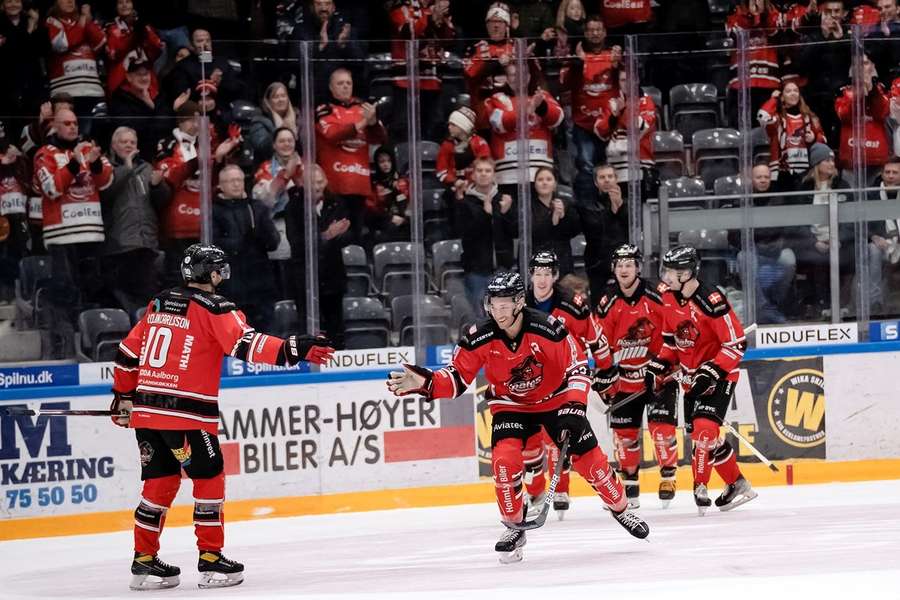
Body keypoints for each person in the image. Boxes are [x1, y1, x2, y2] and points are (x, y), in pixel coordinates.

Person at [110, 243, 334, 591]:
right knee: (209, 479)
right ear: (210, 274)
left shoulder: (158, 303)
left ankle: (144, 563)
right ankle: (211, 559)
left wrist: (123, 397)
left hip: (147, 414)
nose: (222, 276)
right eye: (218, 270)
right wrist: (295, 348)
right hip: (188, 416)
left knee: (159, 484)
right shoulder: (215, 308)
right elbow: (246, 345)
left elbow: (126, 354)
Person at [386, 271, 648, 564]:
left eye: (504, 304)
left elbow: (576, 367)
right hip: (511, 404)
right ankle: (513, 526)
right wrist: (426, 383)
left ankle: (622, 508)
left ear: (519, 302)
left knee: (592, 463)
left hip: (557, 399)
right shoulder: (479, 336)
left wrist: (574, 407)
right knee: (504, 462)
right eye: (493, 304)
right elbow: (457, 378)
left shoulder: (547, 328)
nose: (498, 312)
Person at [648, 245, 756, 515]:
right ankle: (737, 483)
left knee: (704, 430)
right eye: (667, 270)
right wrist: (659, 365)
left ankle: (700, 486)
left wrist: (712, 371)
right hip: (689, 378)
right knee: (706, 436)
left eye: (674, 271)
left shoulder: (712, 300)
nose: (668, 276)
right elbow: (672, 342)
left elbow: (736, 344)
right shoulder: (668, 298)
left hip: (718, 376)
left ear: (689, 272)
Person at [521, 250, 615, 520]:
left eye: (546, 274)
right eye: (537, 273)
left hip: (564, 379)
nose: (541, 279)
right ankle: (536, 491)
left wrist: (606, 370)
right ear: (531, 275)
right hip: (530, 380)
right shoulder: (519, 303)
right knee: (528, 445)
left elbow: (595, 339)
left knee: (556, 439)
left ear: (555, 276)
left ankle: (560, 489)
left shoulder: (573, 304)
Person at [595, 244, 679, 509]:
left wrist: (667, 362)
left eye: (629, 264)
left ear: (638, 268)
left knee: (661, 429)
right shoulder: (608, 301)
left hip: (658, 376)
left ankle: (668, 476)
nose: (624, 269)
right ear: (614, 269)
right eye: (620, 265)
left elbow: (675, 330)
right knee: (625, 436)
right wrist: (606, 375)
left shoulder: (658, 295)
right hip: (625, 380)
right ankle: (630, 484)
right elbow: (601, 344)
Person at [32, 108, 114, 358]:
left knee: (93, 288)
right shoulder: (44, 154)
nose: (72, 127)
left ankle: (92, 341)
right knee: (64, 289)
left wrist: (96, 161)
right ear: (55, 126)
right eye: (66, 123)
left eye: (75, 123)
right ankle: (64, 342)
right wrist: (76, 163)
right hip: (62, 233)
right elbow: (51, 188)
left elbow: (107, 182)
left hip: (91, 232)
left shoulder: (88, 148)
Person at [315, 68, 387, 243]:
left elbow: (381, 138)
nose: (345, 87)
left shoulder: (363, 108)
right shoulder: (324, 110)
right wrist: (362, 123)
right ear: (331, 87)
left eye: (348, 83)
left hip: (360, 185)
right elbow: (332, 134)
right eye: (340, 83)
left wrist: (373, 123)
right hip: (335, 187)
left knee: (356, 239)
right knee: (337, 239)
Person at [101, 126, 168, 317]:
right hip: (120, 244)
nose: (129, 145)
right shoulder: (105, 167)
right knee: (124, 295)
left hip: (146, 241)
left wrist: (157, 186)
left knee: (148, 293)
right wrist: (128, 168)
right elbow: (107, 193)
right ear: (114, 145)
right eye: (124, 142)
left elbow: (160, 202)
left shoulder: (146, 167)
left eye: (132, 142)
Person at [559, 15, 622, 202]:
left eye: (598, 29)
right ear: (585, 33)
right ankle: (588, 207)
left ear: (605, 32)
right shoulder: (576, 58)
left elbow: (632, 81)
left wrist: (619, 65)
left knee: (611, 167)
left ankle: (612, 205)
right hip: (584, 124)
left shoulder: (614, 56)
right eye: (590, 30)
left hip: (610, 123)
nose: (595, 33)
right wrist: (578, 64)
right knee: (586, 166)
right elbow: (564, 85)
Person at [212, 164, 281, 331]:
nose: (236, 184)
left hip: (260, 284)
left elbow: (273, 243)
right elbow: (214, 244)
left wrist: (262, 234)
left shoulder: (257, 208)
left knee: (265, 333)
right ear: (220, 185)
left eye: (239, 180)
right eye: (230, 181)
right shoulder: (213, 210)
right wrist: (240, 242)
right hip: (232, 285)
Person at [457, 157, 517, 315]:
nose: (484, 174)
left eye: (488, 171)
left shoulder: (504, 200)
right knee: (480, 318)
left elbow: (514, 232)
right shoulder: (465, 203)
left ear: (494, 175)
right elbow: (467, 235)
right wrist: (485, 214)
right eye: (480, 171)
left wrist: (505, 213)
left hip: (502, 268)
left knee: (506, 316)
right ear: (473, 175)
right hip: (476, 270)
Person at [757, 82, 827, 192]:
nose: (793, 93)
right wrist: (774, 99)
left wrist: (814, 138)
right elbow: (762, 117)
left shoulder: (810, 117)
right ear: (782, 97)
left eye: (796, 91)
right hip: (781, 172)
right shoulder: (777, 118)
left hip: (806, 171)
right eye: (788, 91)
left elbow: (823, 140)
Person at [576, 164, 628, 303]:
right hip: (596, 263)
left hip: (622, 262)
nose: (606, 180)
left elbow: (632, 228)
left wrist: (619, 206)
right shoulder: (587, 205)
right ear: (595, 182)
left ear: (616, 179)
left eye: (610, 176)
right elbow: (593, 228)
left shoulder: (628, 203)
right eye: (602, 177)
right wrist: (611, 210)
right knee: (598, 303)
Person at [104, 0, 164, 96]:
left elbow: (157, 48)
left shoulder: (143, 26)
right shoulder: (110, 28)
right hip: (121, 82)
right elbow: (114, 54)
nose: (124, 5)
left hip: (146, 82)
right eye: (120, 2)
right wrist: (133, 34)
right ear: (116, 7)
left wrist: (142, 28)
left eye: (127, 2)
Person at [530, 167, 580, 275]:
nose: (544, 183)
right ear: (535, 184)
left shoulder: (565, 203)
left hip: (562, 263)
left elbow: (574, 230)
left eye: (548, 179)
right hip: (539, 265)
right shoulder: (529, 206)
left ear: (555, 184)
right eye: (540, 180)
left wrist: (563, 216)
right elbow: (534, 232)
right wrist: (552, 219)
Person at [436, 106, 491, 203]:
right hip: (453, 188)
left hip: (477, 188)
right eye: (449, 124)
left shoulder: (480, 143)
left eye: (453, 125)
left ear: (463, 126)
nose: (449, 127)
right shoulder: (447, 145)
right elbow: (442, 170)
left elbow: (485, 167)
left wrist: (470, 182)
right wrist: (454, 181)